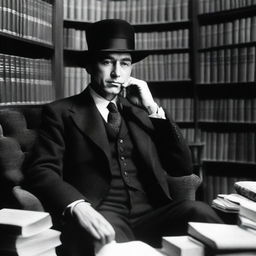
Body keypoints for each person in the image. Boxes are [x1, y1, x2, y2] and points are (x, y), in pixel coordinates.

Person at [24, 19, 222, 256]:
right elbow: (41, 169)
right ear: (89, 66)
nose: (117, 72)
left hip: (152, 213)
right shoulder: (60, 112)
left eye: (125, 63)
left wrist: (152, 108)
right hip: (103, 213)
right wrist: (78, 206)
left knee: (201, 212)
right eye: (107, 62)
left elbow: (181, 167)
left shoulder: (141, 111)